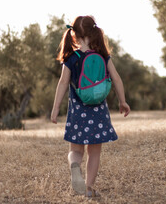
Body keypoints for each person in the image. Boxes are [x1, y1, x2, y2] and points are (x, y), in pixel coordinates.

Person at [50, 15, 130, 197]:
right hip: (98, 113)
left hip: (78, 112)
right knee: (94, 153)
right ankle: (88, 188)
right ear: (93, 33)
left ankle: (74, 165)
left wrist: (55, 109)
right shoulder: (102, 55)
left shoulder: (71, 58)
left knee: (75, 150)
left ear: (75, 36)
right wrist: (122, 101)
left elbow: (63, 83)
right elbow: (116, 77)